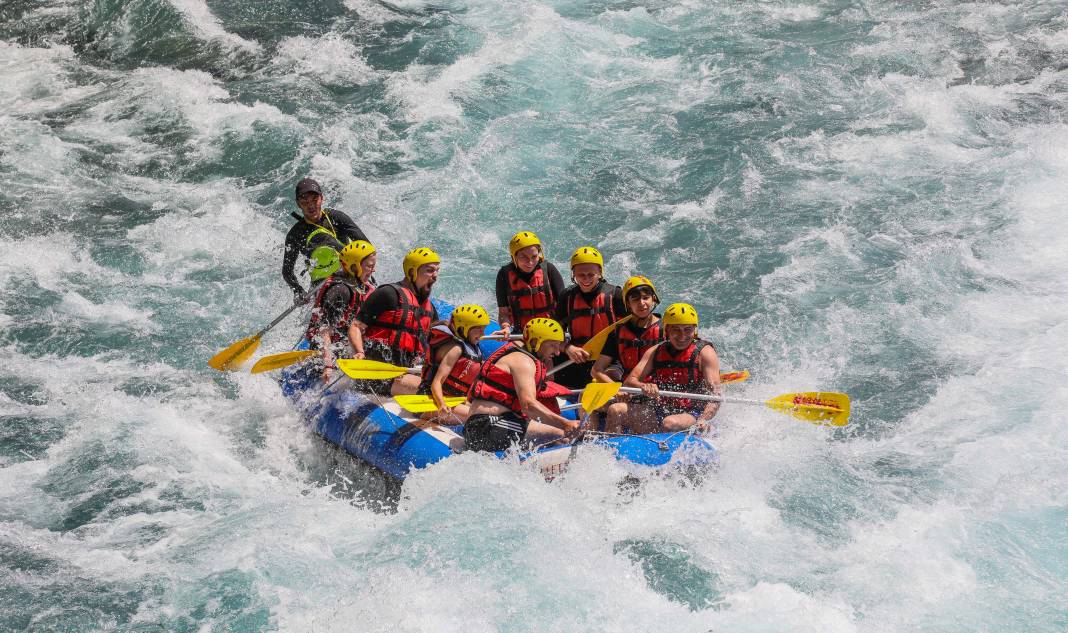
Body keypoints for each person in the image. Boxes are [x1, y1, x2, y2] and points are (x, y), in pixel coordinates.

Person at [464, 318, 580, 451]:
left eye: (558, 346)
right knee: (563, 437)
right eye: (553, 345)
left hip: (482, 426)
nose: (557, 352)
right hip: (488, 426)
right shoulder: (523, 361)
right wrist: (565, 423)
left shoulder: (519, 354)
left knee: (550, 434)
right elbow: (528, 405)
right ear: (536, 342)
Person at [617, 303, 722, 434]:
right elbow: (629, 381)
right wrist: (643, 385)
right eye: (676, 330)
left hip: (693, 413)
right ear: (667, 331)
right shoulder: (655, 351)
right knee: (616, 410)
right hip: (661, 408)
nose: (682, 336)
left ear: (694, 330)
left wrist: (703, 419)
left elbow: (716, 396)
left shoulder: (706, 353)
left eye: (688, 330)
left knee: (669, 423)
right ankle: (609, 451)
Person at [349, 247, 439, 395]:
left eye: (437, 270)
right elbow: (356, 326)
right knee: (430, 390)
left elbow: (436, 344)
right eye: (429, 270)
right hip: (378, 376)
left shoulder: (430, 309)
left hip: (407, 373)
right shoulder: (388, 294)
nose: (435, 275)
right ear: (412, 272)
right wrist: (359, 351)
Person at [282, 178, 370, 303]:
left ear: (321, 198)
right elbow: (287, 272)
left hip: (350, 276)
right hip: (320, 285)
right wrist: (298, 290)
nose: (311, 205)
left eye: (314, 200)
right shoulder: (295, 234)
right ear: (298, 204)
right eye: (305, 202)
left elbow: (366, 247)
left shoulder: (336, 218)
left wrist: (363, 273)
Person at [593, 276, 663, 432]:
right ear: (628, 304)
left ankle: (610, 451)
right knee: (586, 399)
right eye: (635, 299)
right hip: (626, 391)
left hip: (653, 395)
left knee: (616, 410)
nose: (642, 303)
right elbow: (596, 370)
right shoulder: (618, 333)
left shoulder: (667, 330)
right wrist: (615, 388)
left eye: (646, 298)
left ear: (653, 299)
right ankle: (586, 440)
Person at [552, 246, 625, 389]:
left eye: (591, 274)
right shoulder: (567, 297)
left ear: (600, 273)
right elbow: (553, 334)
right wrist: (568, 348)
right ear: (573, 274)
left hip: (609, 360)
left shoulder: (615, 295)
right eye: (581, 275)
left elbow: (630, 331)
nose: (586, 279)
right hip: (577, 357)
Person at [304, 240, 377, 381]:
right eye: (369, 266)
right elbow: (324, 330)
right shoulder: (340, 291)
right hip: (327, 349)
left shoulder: (362, 286)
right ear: (355, 267)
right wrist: (328, 365)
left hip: (346, 344)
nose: (373, 270)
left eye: (373, 266)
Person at [416, 304, 489, 423]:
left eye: (484, 329)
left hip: (453, 399)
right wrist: (441, 405)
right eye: (478, 329)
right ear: (464, 328)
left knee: (485, 412)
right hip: (432, 399)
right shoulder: (456, 349)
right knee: (480, 419)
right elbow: (437, 382)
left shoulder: (472, 348)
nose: (482, 334)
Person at [495, 231, 565, 334]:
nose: (530, 262)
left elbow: (563, 307)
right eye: (523, 257)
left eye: (534, 256)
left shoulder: (549, 270)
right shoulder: (504, 275)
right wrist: (505, 327)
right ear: (514, 257)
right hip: (521, 334)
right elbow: (503, 313)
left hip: (550, 332)